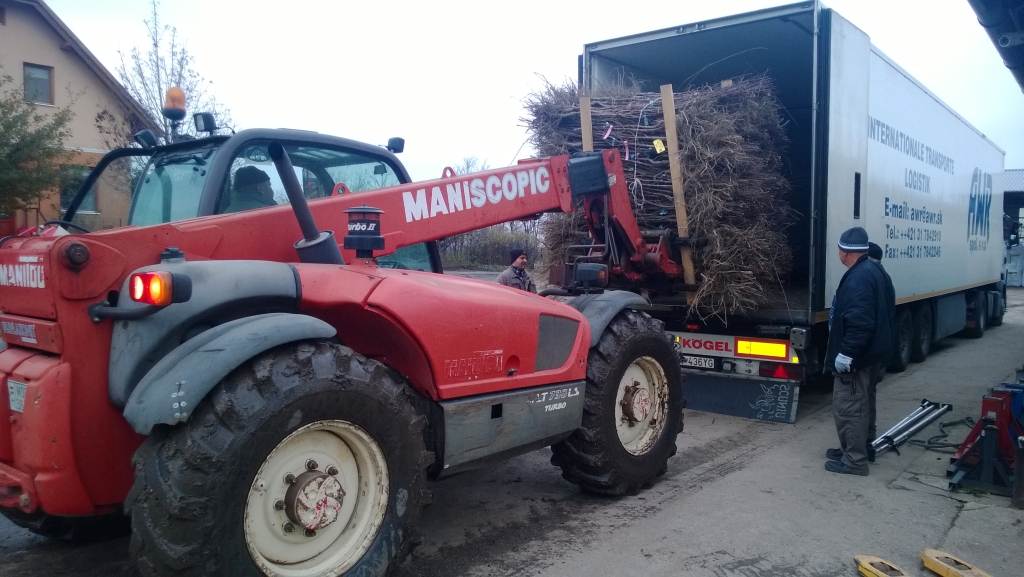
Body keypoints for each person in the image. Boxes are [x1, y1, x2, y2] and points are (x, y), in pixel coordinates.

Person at [824, 227, 895, 476]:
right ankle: (861, 448)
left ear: (844, 252)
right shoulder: (875, 270)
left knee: (850, 406)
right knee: (864, 402)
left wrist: (847, 353)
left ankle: (854, 460)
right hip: (873, 354)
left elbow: (860, 322)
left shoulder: (858, 278)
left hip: (858, 358)